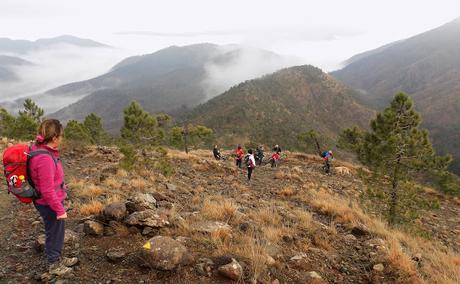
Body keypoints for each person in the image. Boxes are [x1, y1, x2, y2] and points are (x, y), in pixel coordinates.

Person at [29, 119, 77, 276]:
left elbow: (48, 181)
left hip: (50, 199)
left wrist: (62, 186)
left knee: (56, 231)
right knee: (54, 232)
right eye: (61, 136)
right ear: (55, 137)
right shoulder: (44, 158)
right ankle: (54, 264)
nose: (62, 139)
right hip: (49, 202)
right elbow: (47, 190)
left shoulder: (41, 149)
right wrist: (59, 209)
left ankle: (56, 258)